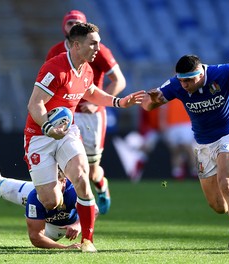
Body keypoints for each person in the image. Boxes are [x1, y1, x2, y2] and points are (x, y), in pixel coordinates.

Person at [24, 22, 145, 253]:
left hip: (68, 131)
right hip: (39, 135)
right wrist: (48, 126)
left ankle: (88, 241)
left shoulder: (87, 68)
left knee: (81, 176)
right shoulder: (55, 68)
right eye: (94, 43)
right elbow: (34, 104)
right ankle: (37, 195)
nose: (98, 48)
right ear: (77, 45)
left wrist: (118, 102)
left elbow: (90, 93)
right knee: (50, 201)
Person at [141, 54, 229, 253]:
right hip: (202, 145)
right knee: (220, 206)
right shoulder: (176, 84)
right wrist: (151, 101)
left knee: (226, 183)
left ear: (201, 74)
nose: (184, 85)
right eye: (181, 80)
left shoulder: (223, 72)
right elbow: (148, 105)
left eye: (189, 80)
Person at [0, 134, 99, 250]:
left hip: (62, 227)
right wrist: (64, 248)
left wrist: (77, 224)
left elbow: (95, 210)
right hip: (48, 224)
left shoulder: (73, 188)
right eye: (44, 182)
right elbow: (36, 237)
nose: (47, 186)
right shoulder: (36, 195)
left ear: (64, 180)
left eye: (54, 182)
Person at [46, 10, 127, 215]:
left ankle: (100, 184)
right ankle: (74, 208)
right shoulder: (55, 51)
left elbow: (119, 80)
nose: (73, 26)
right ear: (64, 27)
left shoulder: (99, 50)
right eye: (70, 22)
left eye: (78, 23)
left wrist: (96, 104)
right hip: (67, 115)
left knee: (91, 170)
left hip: (91, 115)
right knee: (66, 166)